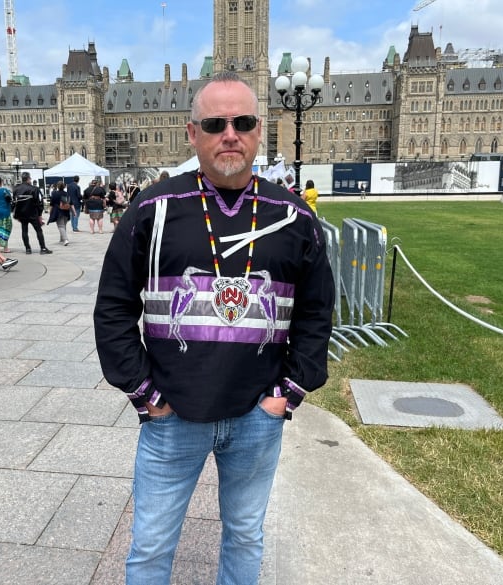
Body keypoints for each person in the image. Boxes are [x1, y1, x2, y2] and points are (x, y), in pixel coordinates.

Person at [94, 71, 334, 584]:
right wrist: (143, 392)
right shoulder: (153, 208)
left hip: (256, 416)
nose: (230, 134)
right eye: (215, 123)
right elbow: (113, 305)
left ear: (259, 130)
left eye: (243, 122)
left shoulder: (292, 216)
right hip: (172, 415)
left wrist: (286, 394)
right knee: (152, 545)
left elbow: (317, 311)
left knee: (246, 536)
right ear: (192, 132)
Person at [13, 171, 52, 255]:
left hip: (22, 213)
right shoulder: (34, 189)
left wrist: (17, 215)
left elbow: (15, 203)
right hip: (32, 213)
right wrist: (40, 215)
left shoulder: (16, 189)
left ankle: (27, 249)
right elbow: (38, 203)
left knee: (24, 231)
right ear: (28, 179)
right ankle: (43, 248)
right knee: (38, 230)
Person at [48, 181, 74, 245]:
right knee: (64, 225)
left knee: (60, 226)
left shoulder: (54, 193)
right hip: (66, 211)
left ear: (57, 186)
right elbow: (71, 203)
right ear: (64, 186)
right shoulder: (67, 194)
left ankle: (65, 239)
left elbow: (51, 204)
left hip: (58, 211)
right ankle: (62, 238)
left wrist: (50, 211)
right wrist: (74, 212)